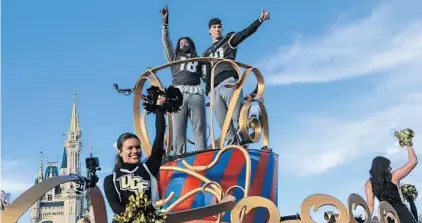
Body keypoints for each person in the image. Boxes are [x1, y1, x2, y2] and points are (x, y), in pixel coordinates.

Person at [203, 9, 270, 146]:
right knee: (224, 124)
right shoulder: (207, 53)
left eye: (219, 26)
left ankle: (243, 146)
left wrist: (259, 20)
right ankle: (233, 148)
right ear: (209, 30)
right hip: (214, 89)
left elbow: (245, 33)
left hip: (229, 82)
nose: (217, 29)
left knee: (236, 118)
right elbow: (206, 74)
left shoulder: (228, 40)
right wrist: (208, 92)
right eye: (214, 27)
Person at [103, 96, 166, 223]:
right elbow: (116, 207)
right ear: (120, 151)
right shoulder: (111, 179)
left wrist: (159, 108)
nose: (135, 151)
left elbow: (159, 136)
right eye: (130, 148)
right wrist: (136, 219)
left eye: (137, 147)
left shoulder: (149, 168)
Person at [160, 5, 207, 155]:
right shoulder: (174, 58)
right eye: (181, 43)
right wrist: (165, 23)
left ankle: (202, 154)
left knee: (199, 127)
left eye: (186, 42)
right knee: (177, 128)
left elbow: (206, 77)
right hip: (178, 93)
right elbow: (166, 42)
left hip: (195, 93)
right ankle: (179, 156)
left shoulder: (199, 59)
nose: (183, 44)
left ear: (191, 45)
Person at [365, 143, 418, 222]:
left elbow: (370, 205)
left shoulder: (369, 184)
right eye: (388, 166)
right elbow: (413, 162)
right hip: (402, 214)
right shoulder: (393, 176)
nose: (390, 168)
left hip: (388, 217)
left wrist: (366, 221)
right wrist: (408, 144)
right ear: (384, 167)